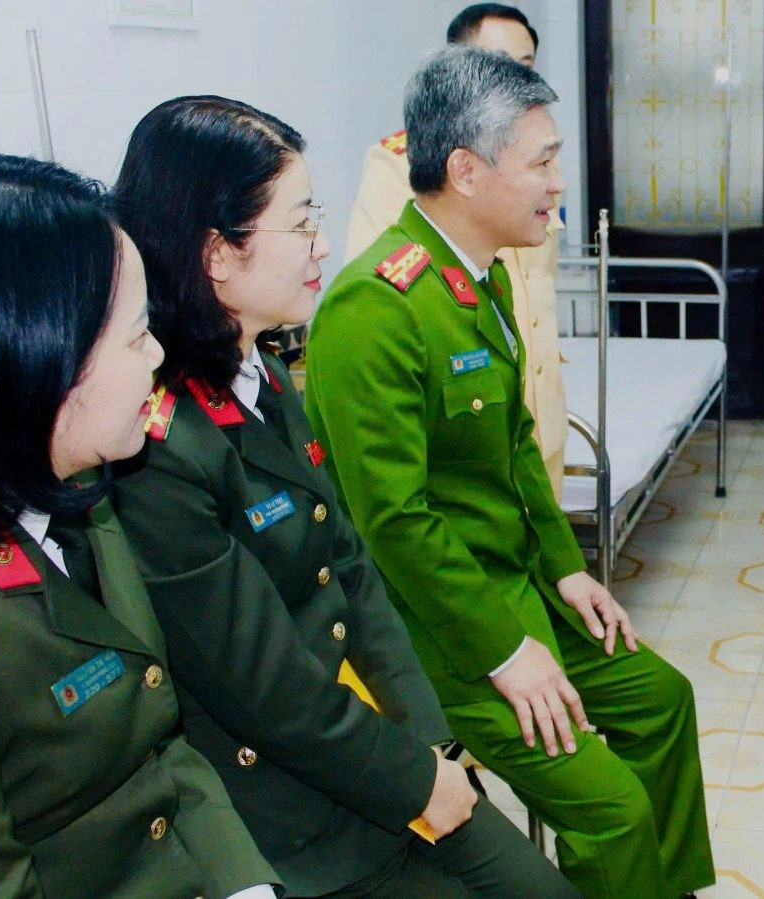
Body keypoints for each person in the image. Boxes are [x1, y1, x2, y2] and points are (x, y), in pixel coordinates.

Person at [109, 96, 576, 899]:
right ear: (218, 253)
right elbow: (266, 687)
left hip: (374, 753)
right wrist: (415, 778)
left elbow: (349, 567)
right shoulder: (158, 451)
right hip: (284, 817)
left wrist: (432, 744)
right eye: (300, 223)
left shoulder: (261, 374)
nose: (322, 243)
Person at [305, 46, 715, 898]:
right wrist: (502, 651)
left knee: (662, 699)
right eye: (542, 162)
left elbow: (517, 439)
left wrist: (567, 566)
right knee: (614, 811)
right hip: (447, 632)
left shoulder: (474, 278)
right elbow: (394, 522)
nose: (558, 184)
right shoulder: (373, 308)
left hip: (523, 587)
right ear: (466, 170)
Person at [0, 149, 278, 898]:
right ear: (37, 360)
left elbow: (159, 740)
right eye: (137, 337)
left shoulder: (78, 491)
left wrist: (248, 888)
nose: (158, 355)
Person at [345, 2, 569, 499]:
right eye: (497, 64)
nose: (514, 80)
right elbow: (384, 302)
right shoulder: (403, 165)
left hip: (536, 411)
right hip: (466, 414)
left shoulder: (533, 165)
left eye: (526, 67)